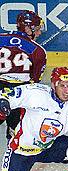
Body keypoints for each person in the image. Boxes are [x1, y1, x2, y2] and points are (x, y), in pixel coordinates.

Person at [0, 10, 47, 139]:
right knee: (17, 134)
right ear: (27, 28)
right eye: (37, 29)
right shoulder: (38, 51)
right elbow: (34, 82)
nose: (39, 32)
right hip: (20, 93)